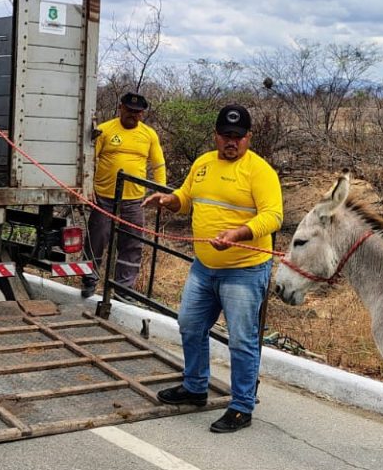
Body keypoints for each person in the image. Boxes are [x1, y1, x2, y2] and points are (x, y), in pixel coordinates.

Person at [141, 104, 282, 433]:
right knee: (190, 325)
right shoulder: (203, 163)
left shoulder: (260, 171)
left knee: (241, 341)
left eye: (238, 137)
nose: (231, 142)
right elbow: (187, 197)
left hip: (245, 270)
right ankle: (195, 387)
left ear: (248, 138)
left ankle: (242, 406)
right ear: (215, 135)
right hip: (204, 267)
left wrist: (238, 234)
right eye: (225, 136)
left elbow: (273, 216)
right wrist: (169, 200)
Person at [85, 92, 167, 295]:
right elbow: (88, 160)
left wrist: (161, 193)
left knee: (132, 243)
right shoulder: (104, 130)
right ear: (121, 107)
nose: (133, 115)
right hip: (103, 197)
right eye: (130, 110)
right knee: (97, 237)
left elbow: (158, 164)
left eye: (138, 112)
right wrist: (87, 188)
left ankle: (123, 288)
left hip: (133, 200)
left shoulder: (149, 134)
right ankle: (89, 279)